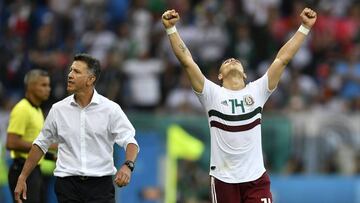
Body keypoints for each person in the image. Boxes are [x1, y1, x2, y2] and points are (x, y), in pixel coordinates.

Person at [162, 7, 317, 203]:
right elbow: (186, 60)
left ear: (245, 74)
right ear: (219, 76)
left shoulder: (257, 90)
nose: (232, 60)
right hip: (223, 179)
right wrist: (171, 30)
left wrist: (304, 27)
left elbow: (282, 59)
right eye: (227, 61)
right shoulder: (211, 94)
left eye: (235, 60)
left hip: (256, 179)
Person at [14, 53, 139, 203]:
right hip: (68, 186)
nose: (70, 75)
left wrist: (127, 166)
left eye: (77, 72)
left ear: (90, 79)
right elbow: (41, 144)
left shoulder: (111, 109)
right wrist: (22, 177)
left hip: (100, 187)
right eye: (70, 70)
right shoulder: (58, 109)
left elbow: (130, 141)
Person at [6, 69, 52, 203]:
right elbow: (11, 143)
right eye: (43, 85)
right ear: (30, 86)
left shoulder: (36, 110)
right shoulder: (22, 109)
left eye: (48, 85)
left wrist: (51, 155)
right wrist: (45, 145)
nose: (48, 89)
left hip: (35, 171)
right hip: (22, 171)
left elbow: (33, 144)